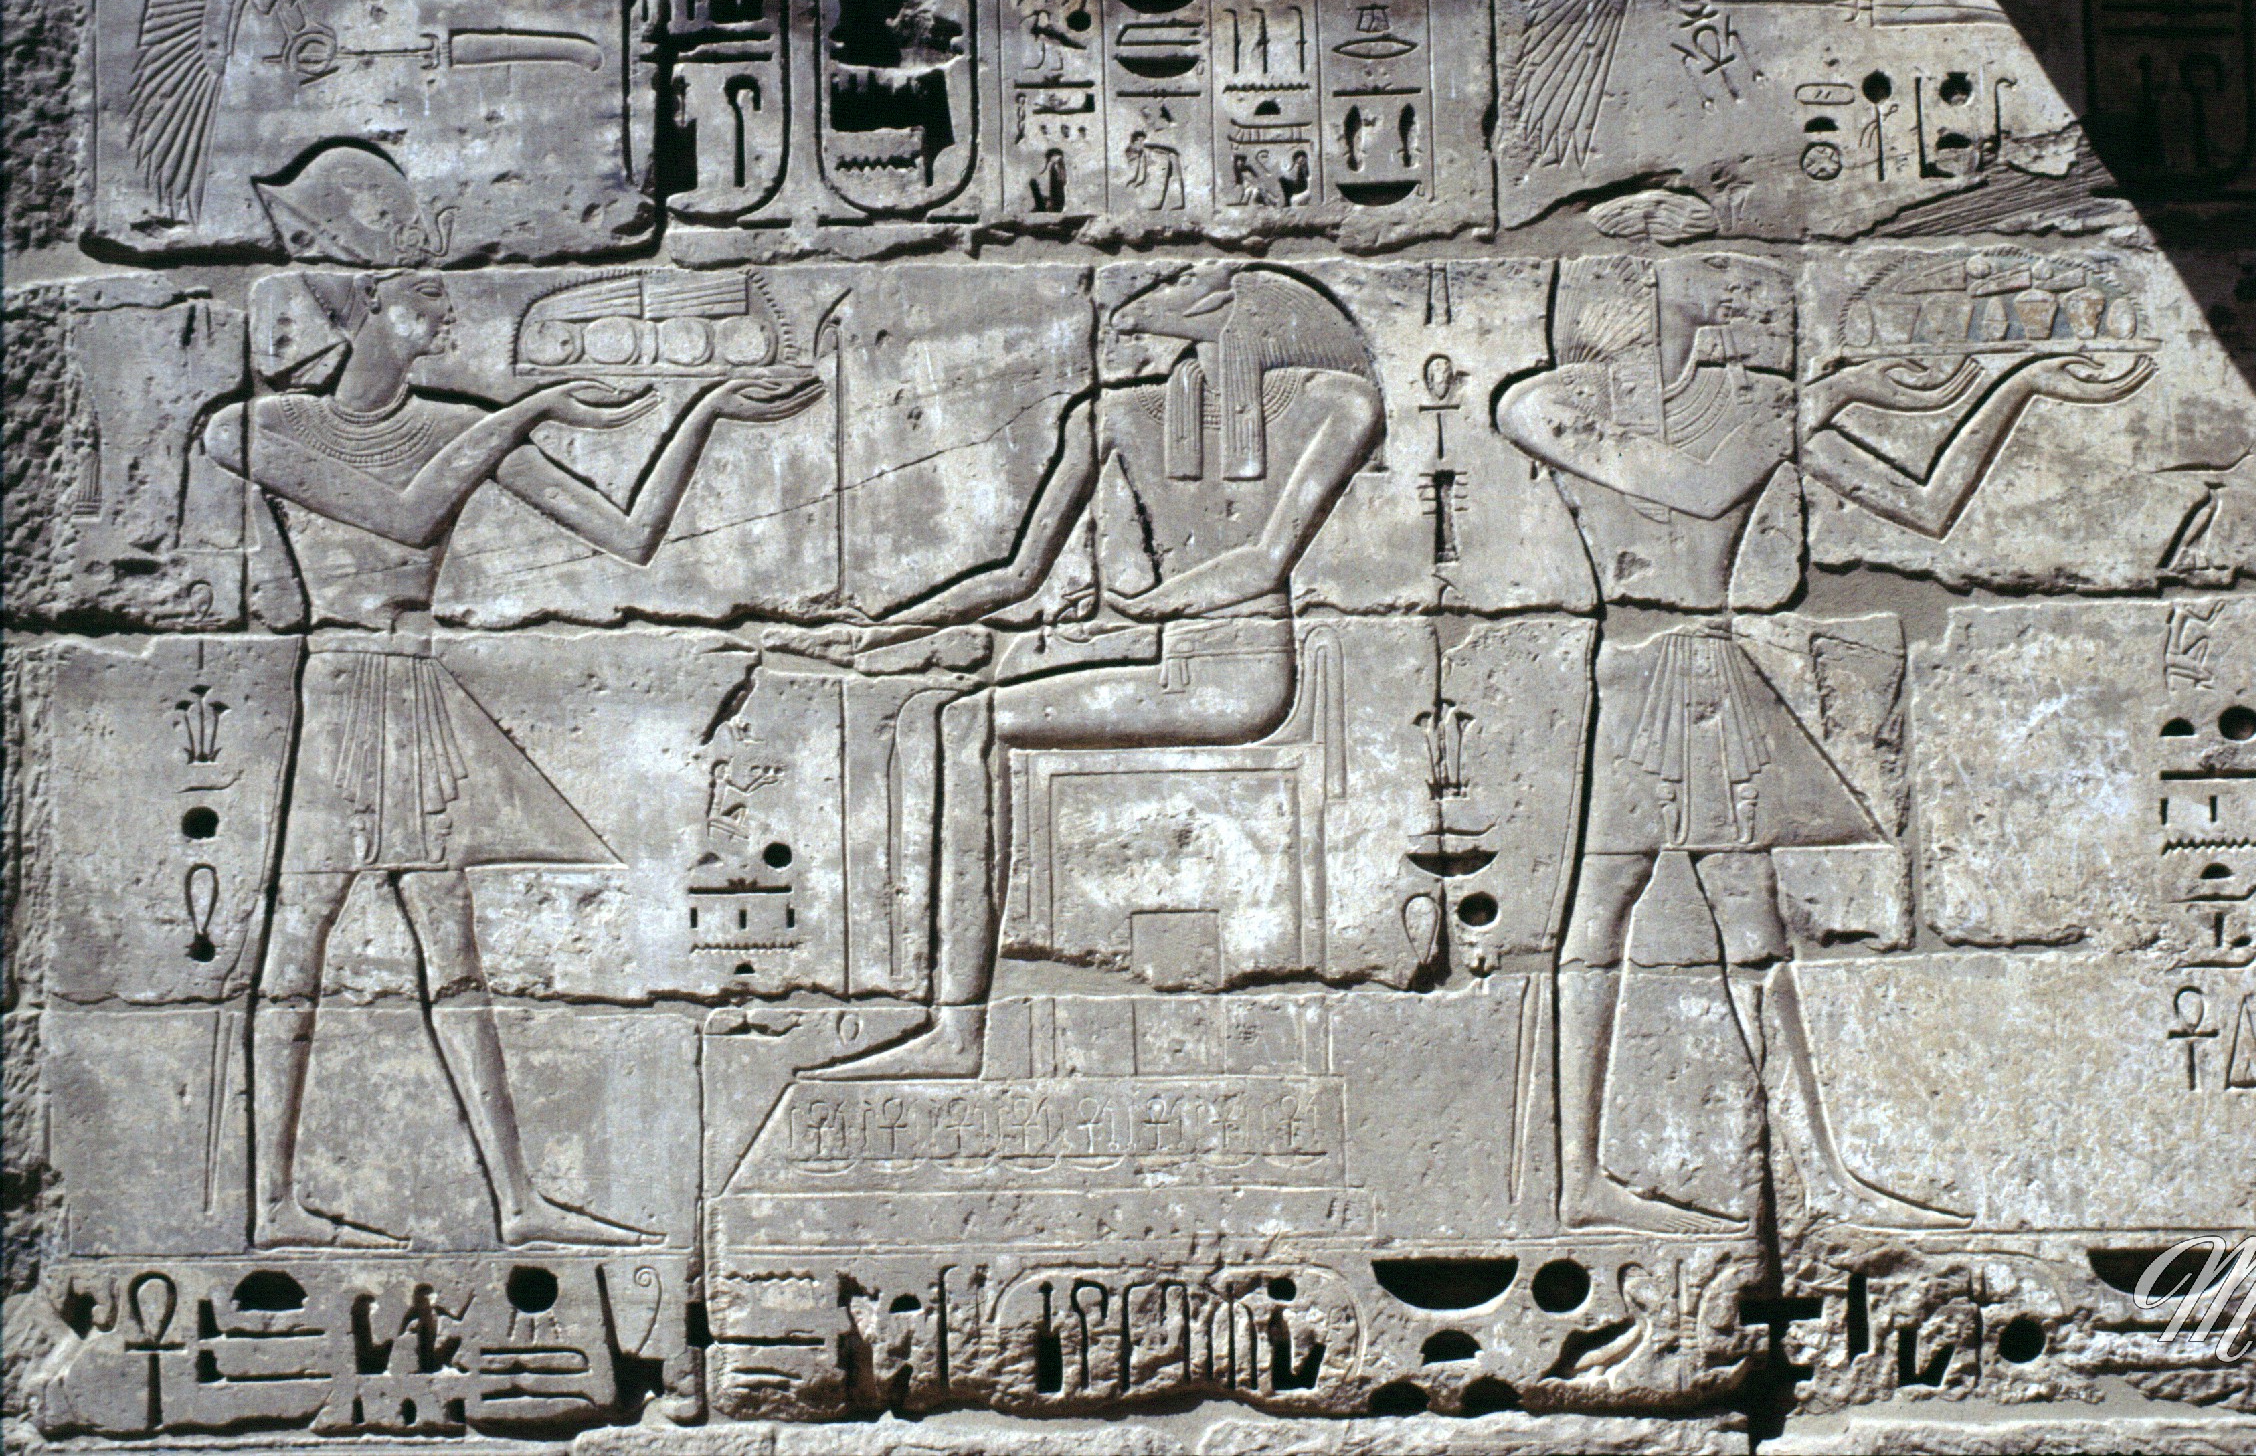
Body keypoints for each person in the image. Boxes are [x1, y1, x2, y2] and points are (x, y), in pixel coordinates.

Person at [1491, 256, 2151, 1234]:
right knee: (1600, 921)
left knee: (1751, 932)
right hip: (1639, 677)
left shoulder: (1745, 410)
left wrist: (2015, 385)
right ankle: (1583, 1179)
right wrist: (1825, 397)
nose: (1723, 293)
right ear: (1632, 299)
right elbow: (1697, 489)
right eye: (1695, 278)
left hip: (1714, 673)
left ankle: (1818, 1173)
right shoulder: (1550, 402)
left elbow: (1926, 503)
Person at [207, 250, 818, 1248]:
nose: (443, 313)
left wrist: (702, 410)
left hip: (417, 694)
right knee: (297, 945)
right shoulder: (267, 425)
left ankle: (519, 1203)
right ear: (364, 304)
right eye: (423, 295)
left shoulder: (456, 426)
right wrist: (528, 411)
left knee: (453, 955)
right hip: (342, 692)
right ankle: (272, 1204)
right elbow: (402, 514)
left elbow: (630, 534)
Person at [798, 267, 1384, 1080]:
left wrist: (1147, 606)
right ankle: (939, 1008)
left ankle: (957, 1030)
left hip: (1238, 680)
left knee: (967, 721)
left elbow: (1264, 559)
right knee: (944, 712)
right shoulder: (1115, 414)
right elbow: (1019, 574)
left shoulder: (1338, 403)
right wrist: (886, 631)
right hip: (1161, 660)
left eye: (1195, 287)